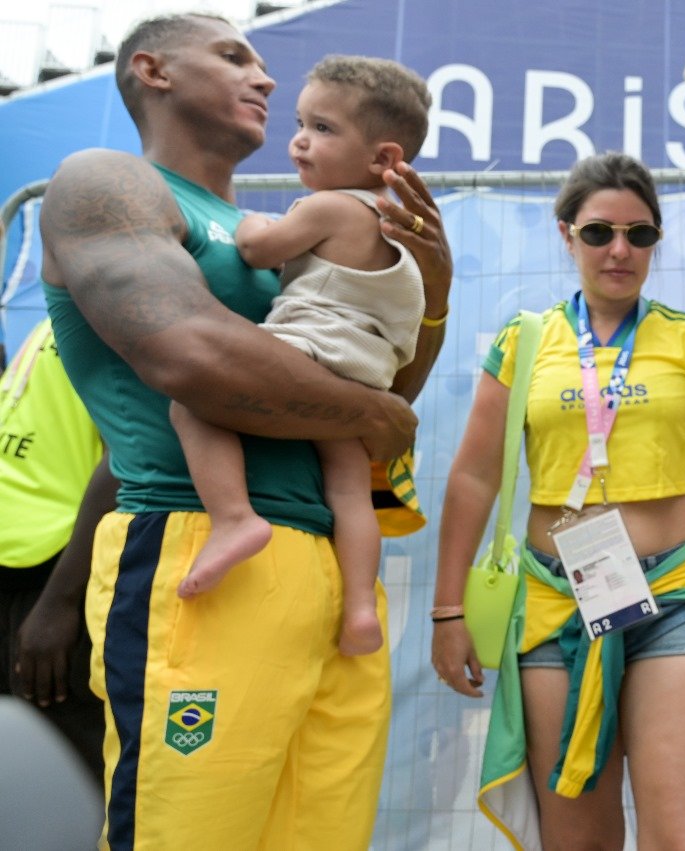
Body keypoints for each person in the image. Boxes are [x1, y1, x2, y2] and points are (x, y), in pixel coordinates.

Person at [38, 12, 451, 849]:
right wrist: (375, 412)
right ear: (152, 71)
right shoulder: (109, 181)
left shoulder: (302, 234)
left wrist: (430, 294)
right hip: (198, 552)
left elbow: (383, 406)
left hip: (335, 575)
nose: (265, 79)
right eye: (235, 56)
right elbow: (194, 360)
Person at [432, 151, 685, 849]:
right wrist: (447, 610)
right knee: (578, 840)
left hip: (679, 594)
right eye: (599, 232)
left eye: (639, 234)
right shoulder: (523, 342)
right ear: (566, 234)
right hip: (557, 600)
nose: (620, 249)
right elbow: (473, 477)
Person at [169, 54, 430, 657]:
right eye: (301, 123)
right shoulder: (396, 227)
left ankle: (234, 517)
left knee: (193, 404)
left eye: (324, 129)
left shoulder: (330, 206)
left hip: (306, 351)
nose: (299, 142)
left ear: (383, 160)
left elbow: (260, 250)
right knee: (346, 489)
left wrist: (251, 221)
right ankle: (361, 608)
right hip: (361, 376)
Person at [0, 318, 113, 782]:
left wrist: (60, 604)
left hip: (55, 577)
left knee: (63, 770)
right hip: (18, 564)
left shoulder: (122, 300)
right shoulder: (61, 298)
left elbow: (134, 454)